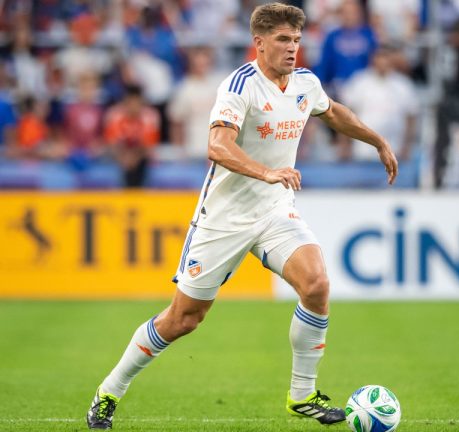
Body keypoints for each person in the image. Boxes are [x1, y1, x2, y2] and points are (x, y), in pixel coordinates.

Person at [85, 3, 398, 430]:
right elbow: (217, 145)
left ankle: (302, 394)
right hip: (224, 218)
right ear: (259, 43)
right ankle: (109, 391)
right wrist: (267, 171)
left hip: (274, 210)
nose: (292, 48)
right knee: (183, 319)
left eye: (296, 40)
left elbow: (332, 112)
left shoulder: (305, 82)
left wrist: (377, 140)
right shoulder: (240, 85)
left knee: (316, 285)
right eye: (283, 40)